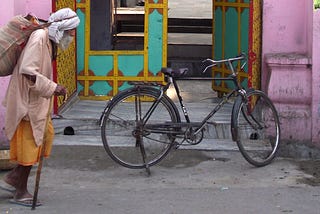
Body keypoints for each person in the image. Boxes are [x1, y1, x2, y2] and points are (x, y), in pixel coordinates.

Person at [0, 8, 80, 207]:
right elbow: (28, 72)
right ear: (62, 29)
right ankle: (20, 191)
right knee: (32, 143)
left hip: (37, 102)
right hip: (27, 102)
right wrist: (54, 87)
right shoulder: (40, 38)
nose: (73, 35)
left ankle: (14, 177)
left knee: (45, 137)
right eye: (72, 31)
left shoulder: (50, 41)